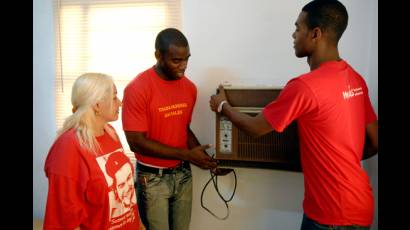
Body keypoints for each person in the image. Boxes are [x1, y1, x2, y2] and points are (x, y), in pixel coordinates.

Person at [209, 0, 378, 229]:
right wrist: (340, 163)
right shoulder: (355, 79)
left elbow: (256, 128)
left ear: (315, 34)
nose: (293, 34)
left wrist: (223, 106)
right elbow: (375, 142)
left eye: (298, 28)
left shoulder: (304, 86)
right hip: (361, 205)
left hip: (330, 214)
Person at [121, 28, 218, 230]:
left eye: (186, 59)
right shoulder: (137, 88)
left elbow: (183, 127)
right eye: (176, 60)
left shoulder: (189, 88)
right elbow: (136, 141)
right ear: (158, 55)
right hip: (152, 178)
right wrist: (187, 155)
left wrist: (204, 158)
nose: (183, 66)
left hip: (183, 174)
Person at [44, 73, 145, 230]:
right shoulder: (68, 148)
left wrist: (137, 223)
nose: (120, 103)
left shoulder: (109, 132)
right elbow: (61, 218)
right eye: (114, 97)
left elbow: (125, 193)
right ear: (97, 105)